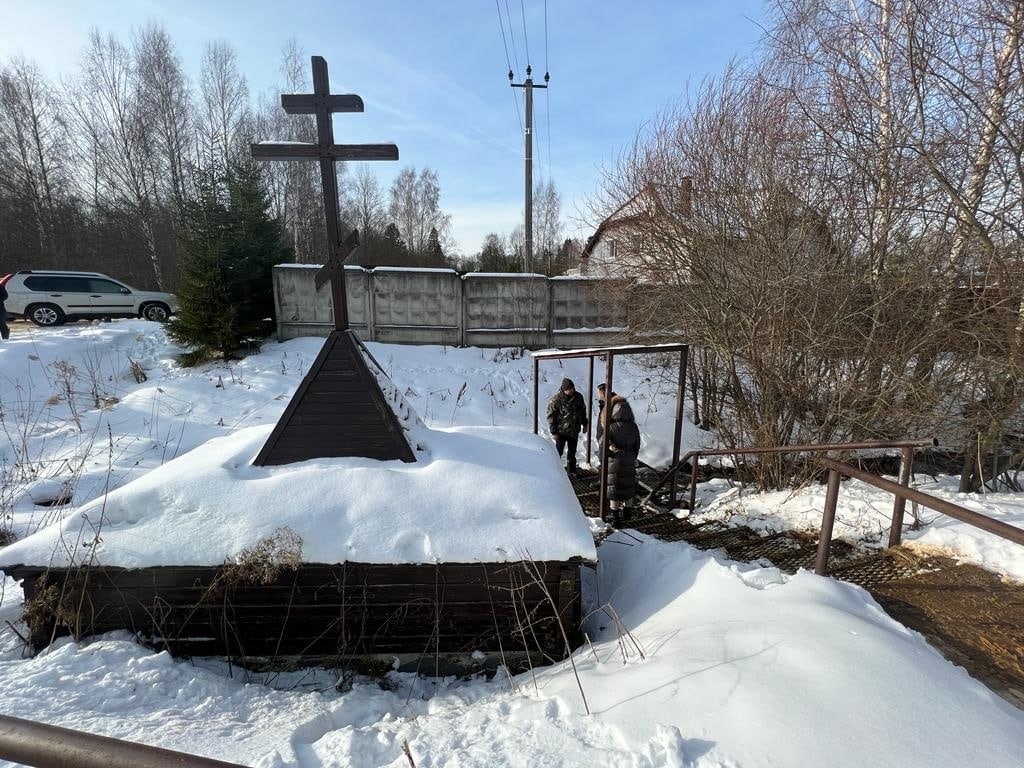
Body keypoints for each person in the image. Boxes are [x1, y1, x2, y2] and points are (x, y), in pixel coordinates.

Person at [597, 383, 641, 523]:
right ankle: (628, 512)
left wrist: (610, 455)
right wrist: (632, 456)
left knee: (614, 489)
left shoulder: (611, 427)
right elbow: (637, 444)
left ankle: (615, 516)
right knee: (628, 486)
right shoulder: (633, 426)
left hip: (615, 459)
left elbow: (602, 443)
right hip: (629, 458)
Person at [546, 377, 588, 475]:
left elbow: (582, 411)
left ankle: (572, 470)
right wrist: (554, 432)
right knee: (558, 452)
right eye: (570, 389)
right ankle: (554, 471)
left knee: (572, 452)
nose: (572, 391)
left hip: (574, 430)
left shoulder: (578, 397)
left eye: (573, 388)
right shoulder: (556, 400)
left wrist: (585, 423)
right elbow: (551, 416)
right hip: (561, 432)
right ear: (564, 390)